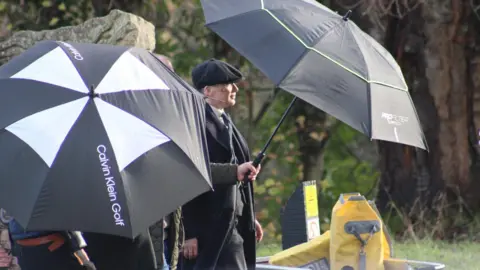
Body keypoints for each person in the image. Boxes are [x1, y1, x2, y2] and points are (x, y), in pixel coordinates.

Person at [182, 59, 263, 270]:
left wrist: (247, 216)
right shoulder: (194, 122)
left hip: (230, 225)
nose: (235, 89)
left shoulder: (225, 120)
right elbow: (188, 173)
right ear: (207, 91)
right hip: (206, 229)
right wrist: (188, 233)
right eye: (227, 85)